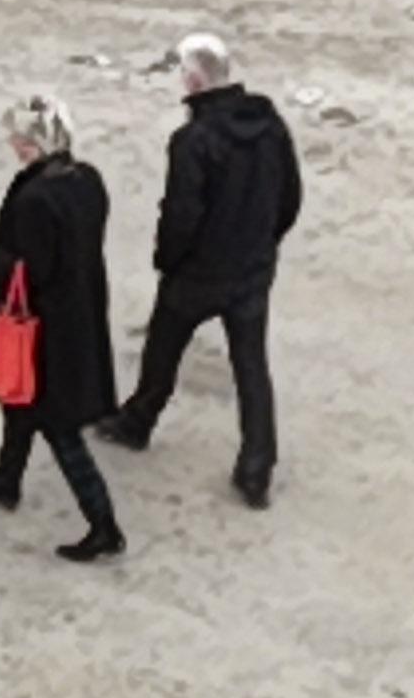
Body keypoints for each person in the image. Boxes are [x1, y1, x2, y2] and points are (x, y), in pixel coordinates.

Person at [106, 30, 301, 505]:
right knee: (251, 366)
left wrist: (167, 260)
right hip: (252, 269)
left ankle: (138, 421)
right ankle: (257, 469)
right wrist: (266, 243)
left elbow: (181, 213)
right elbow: (290, 196)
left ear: (193, 80)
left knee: (165, 344)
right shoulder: (271, 124)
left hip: (200, 271)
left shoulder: (193, 139)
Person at [0, 96, 124, 561]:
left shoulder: (35, 198)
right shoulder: (87, 180)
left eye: (17, 137)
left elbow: (31, 271)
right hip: (77, 318)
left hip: (42, 331)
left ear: (32, 143)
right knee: (21, 405)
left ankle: (104, 525)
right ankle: (6, 479)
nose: (12, 144)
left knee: (58, 427)